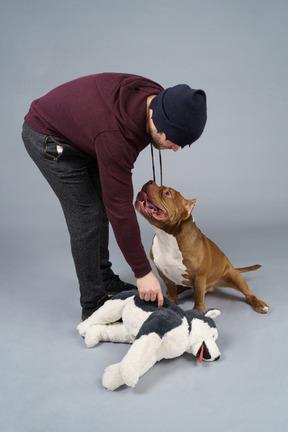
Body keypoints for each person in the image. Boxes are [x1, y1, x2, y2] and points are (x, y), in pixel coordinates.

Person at [22, 73, 207, 320]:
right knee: (88, 217)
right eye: (176, 141)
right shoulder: (115, 137)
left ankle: (105, 279)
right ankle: (92, 305)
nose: (175, 148)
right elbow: (119, 208)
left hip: (87, 135)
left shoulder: (157, 98)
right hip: (49, 136)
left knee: (101, 206)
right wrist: (142, 273)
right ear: (161, 123)